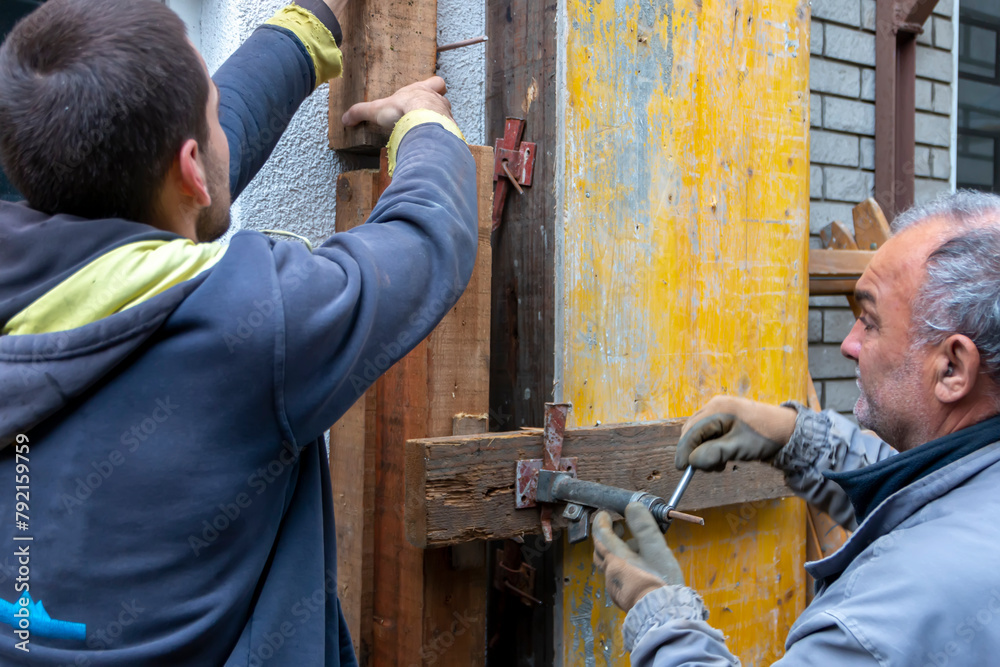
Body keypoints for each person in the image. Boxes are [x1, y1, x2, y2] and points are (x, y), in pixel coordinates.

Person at [0, 0, 477, 663]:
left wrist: (312, 23)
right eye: (214, 111)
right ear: (192, 168)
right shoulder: (253, 324)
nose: (225, 125)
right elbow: (426, 241)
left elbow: (177, 169)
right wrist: (426, 125)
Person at [592, 190, 1000, 666]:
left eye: (870, 322)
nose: (849, 343)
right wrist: (799, 439)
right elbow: (924, 499)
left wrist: (659, 615)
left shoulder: (885, 620)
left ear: (952, 368)